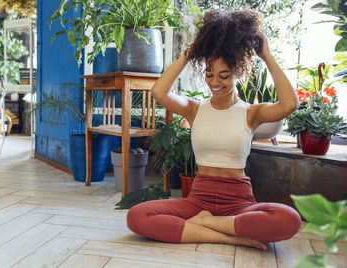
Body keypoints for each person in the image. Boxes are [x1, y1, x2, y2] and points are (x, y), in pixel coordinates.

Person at [126, 7, 301, 250]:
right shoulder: (194, 109)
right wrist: (190, 53)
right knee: (137, 216)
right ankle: (225, 233)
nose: (214, 82)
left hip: (239, 201)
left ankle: (207, 224)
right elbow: (159, 92)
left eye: (223, 75)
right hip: (199, 200)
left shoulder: (251, 113)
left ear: (237, 73)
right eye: (209, 74)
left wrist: (267, 56)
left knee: (289, 219)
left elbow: (290, 104)